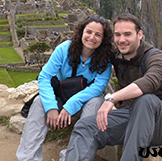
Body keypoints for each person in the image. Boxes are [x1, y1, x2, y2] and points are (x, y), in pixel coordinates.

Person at [64, 13, 162, 161]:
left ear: (139, 34)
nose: (121, 40)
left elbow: (150, 81)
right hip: (130, 115)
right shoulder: (117, 57)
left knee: (146, 100)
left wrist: (112, 98)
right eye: (117, 35)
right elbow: (88, 52)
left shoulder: (156, 57)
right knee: (85, 127)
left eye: (127, 34)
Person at [16, 14, 113, 161]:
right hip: (60, 95)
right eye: (89, 32)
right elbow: (45, 77)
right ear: (81, 32)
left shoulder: (105, 60)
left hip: (84, 101)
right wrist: (51, 107)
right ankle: (28, 158)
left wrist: (69, 107)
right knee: (39, 102)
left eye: (98, 34)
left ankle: (73, 157)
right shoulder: (64, 49)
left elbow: (97, 88)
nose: (92, 37)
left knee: (96, 102)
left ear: (103, 39)